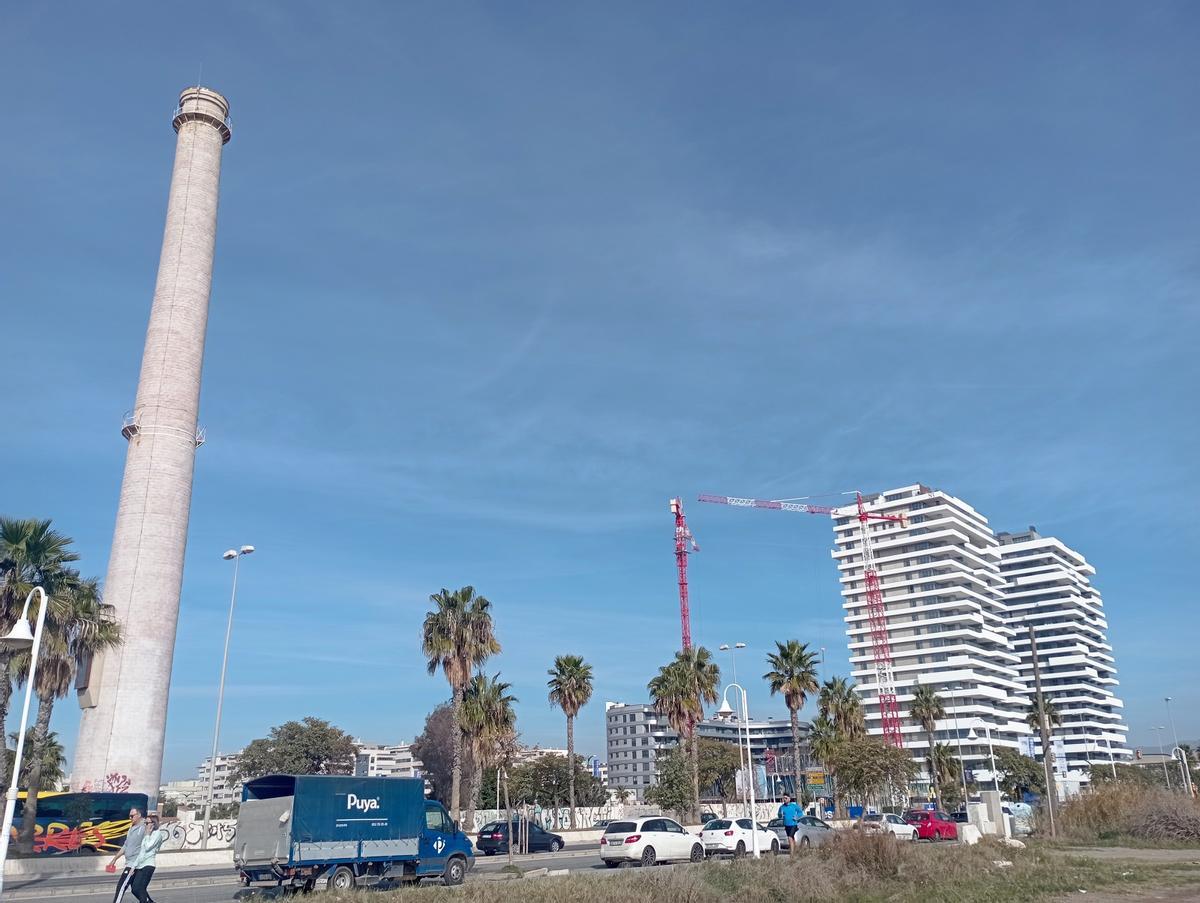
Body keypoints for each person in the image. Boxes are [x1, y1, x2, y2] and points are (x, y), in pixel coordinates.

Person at [105, 805, 146, 902]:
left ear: (139, 815)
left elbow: (147, 844)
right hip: (129, 862)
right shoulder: (131, 828)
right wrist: (114, 859)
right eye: (129, 816)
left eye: (132, 816)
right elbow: (125, 846)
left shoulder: (144, 827)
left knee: (121, 886)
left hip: (134, 863)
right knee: (136, 890)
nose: (130, 818)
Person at [129, 813, 169, 903]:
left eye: (147, 823)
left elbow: (148, 847)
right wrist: (133, 867)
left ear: (153, 823)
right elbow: (141, 852)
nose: (146, 825)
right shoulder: (147, 835)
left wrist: (147, 834)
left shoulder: (157, 834)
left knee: (141, 888)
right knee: (134, 889)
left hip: (148, 864)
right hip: (140, 865)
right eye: (145, 823)